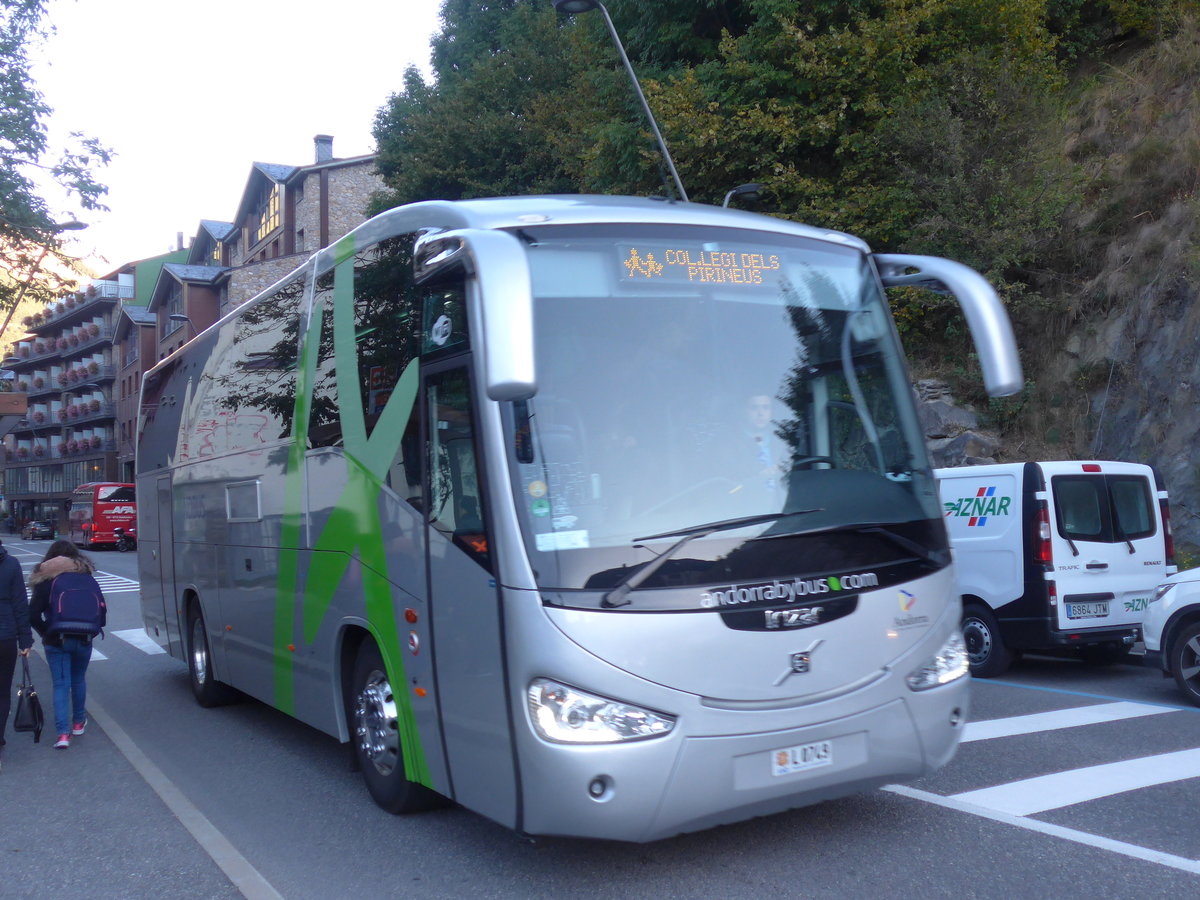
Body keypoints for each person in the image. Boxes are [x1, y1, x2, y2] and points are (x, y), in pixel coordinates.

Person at [29, 540, 98, 749]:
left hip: (56, 640)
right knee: (78, 680)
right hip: (84, 637)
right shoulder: (84, 575)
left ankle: (62, 734)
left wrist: (46, 632)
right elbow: (100, 609)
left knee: (60, 684)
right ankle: (78, 723)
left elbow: (32, 614)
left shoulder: (45, 579)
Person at [0, 538, 33, 771]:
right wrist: (25, 640)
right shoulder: (10, 565)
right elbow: (20, 604)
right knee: (2, 693)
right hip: (5, 636)